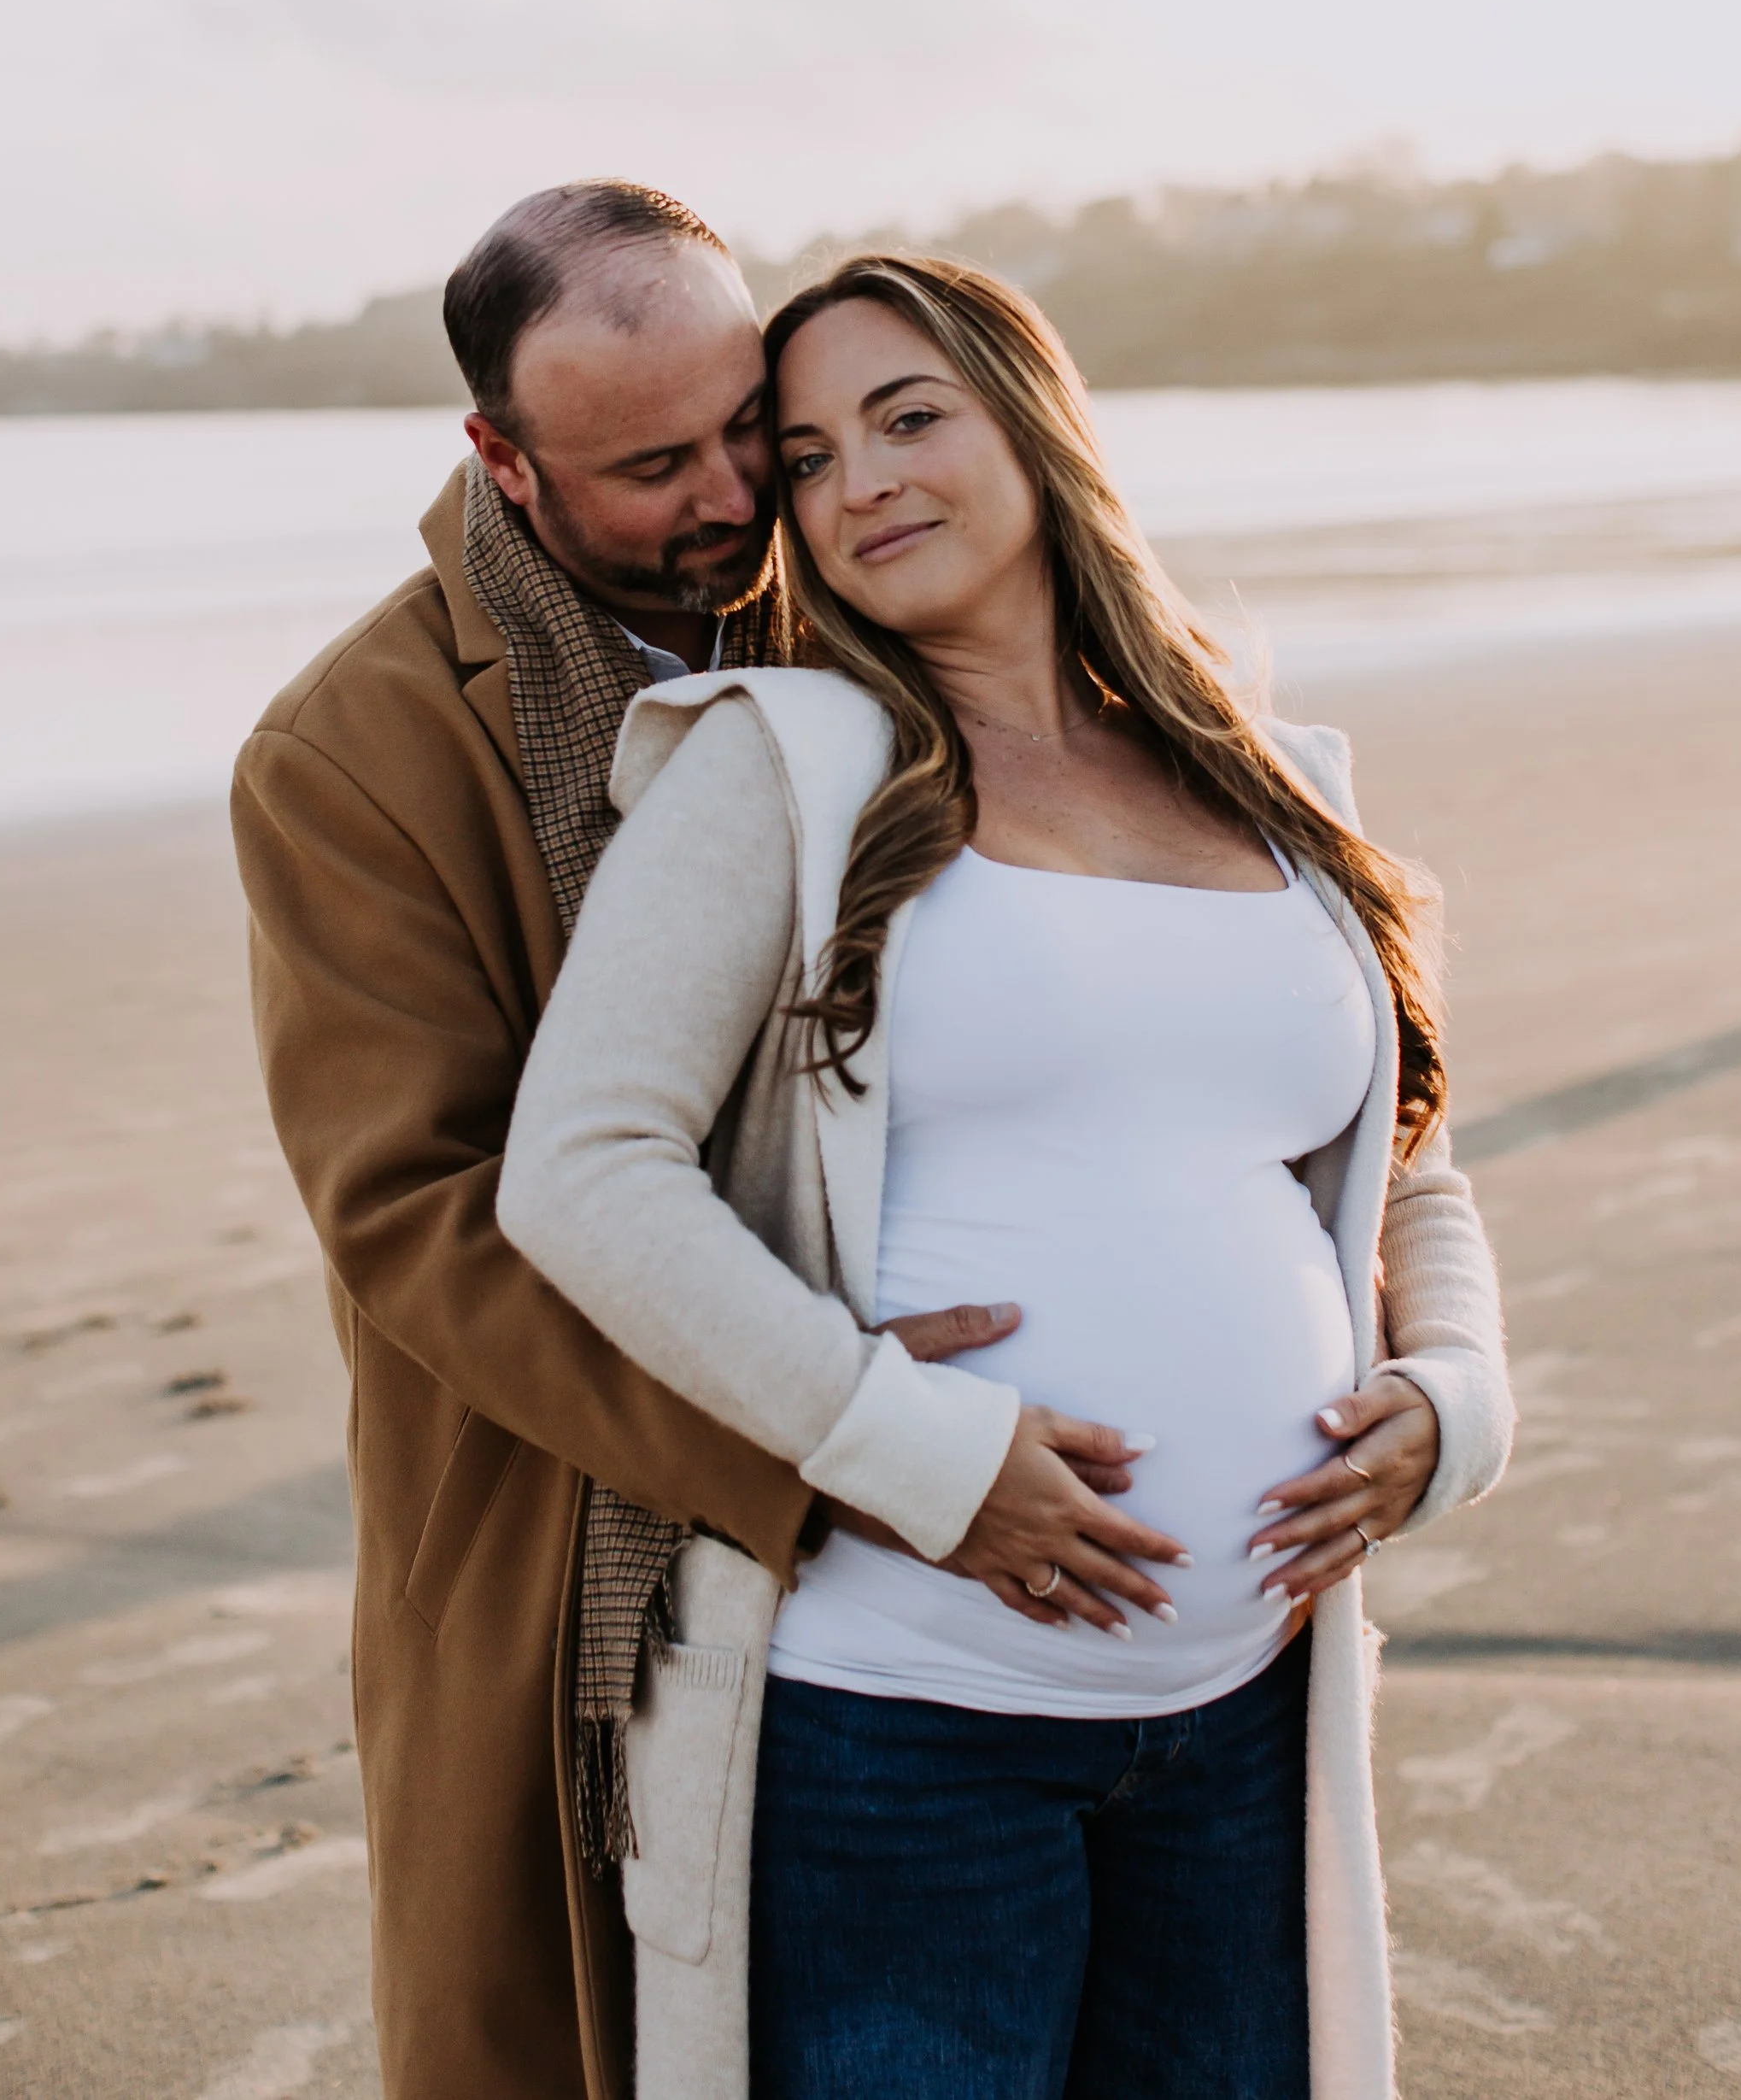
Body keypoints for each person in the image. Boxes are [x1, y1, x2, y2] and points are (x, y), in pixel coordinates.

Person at [496, 251, 1515, 2100]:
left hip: (1247, 1718)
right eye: (804, 458)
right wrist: (911, 1447)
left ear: (1034, 430)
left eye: (908, 419)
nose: (859, 482)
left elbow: (1403, 1162)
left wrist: (1459, 1398)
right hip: (901, 1727)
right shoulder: (790, 767)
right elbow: (580, 1168)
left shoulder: (1271, 784)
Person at [232, 183, 1032, 2100]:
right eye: (649, 465)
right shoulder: (346, 755)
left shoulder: (867, 605)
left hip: (947, 1540)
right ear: (501, 463)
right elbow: (418, 1217)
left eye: (752, 427)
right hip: (564, 1524)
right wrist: (813, 1418)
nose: (732, 496)